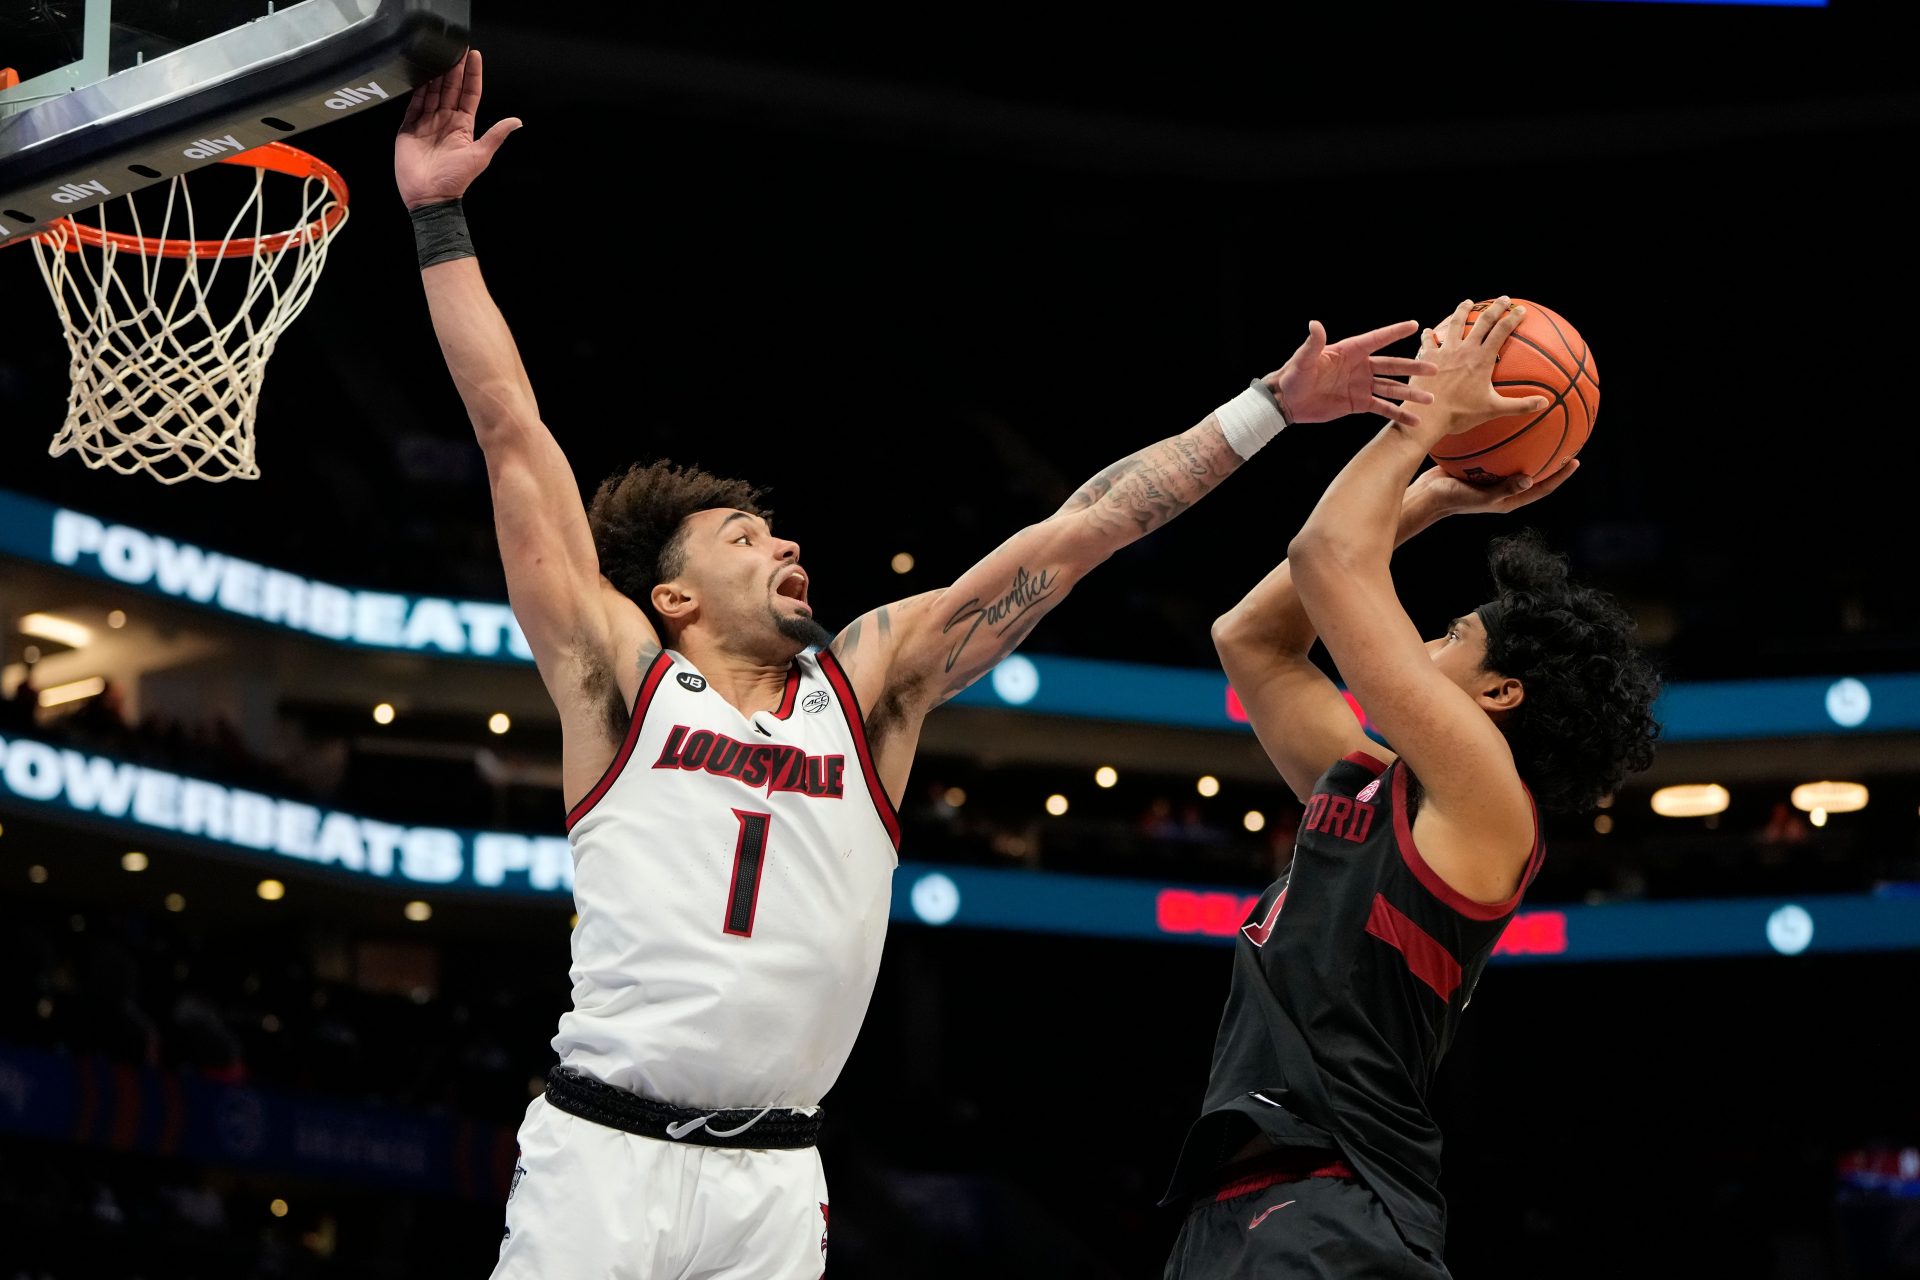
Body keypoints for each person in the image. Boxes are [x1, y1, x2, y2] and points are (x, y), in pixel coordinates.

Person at [395, 49, 1443, 1280]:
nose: (782, 542)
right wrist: (438, 218)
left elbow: (1082, 528)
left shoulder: (871, 682)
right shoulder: (618, 675)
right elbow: (512, 429)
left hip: (777, 1176)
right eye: (743, 538)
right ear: (670, 595)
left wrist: (1270, 403)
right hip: (602, 1157)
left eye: (776, 529)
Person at [1160, 297, 1663, 1278]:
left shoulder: (1489, 794)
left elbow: (1328, 557)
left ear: (1499, 693)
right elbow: (1252, 639)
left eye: (1449, 637)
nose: (1421, 639)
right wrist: (1430, 495)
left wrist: (1423, 416)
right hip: (1243, 1201)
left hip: (1340, 1206)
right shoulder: (1374, 793)